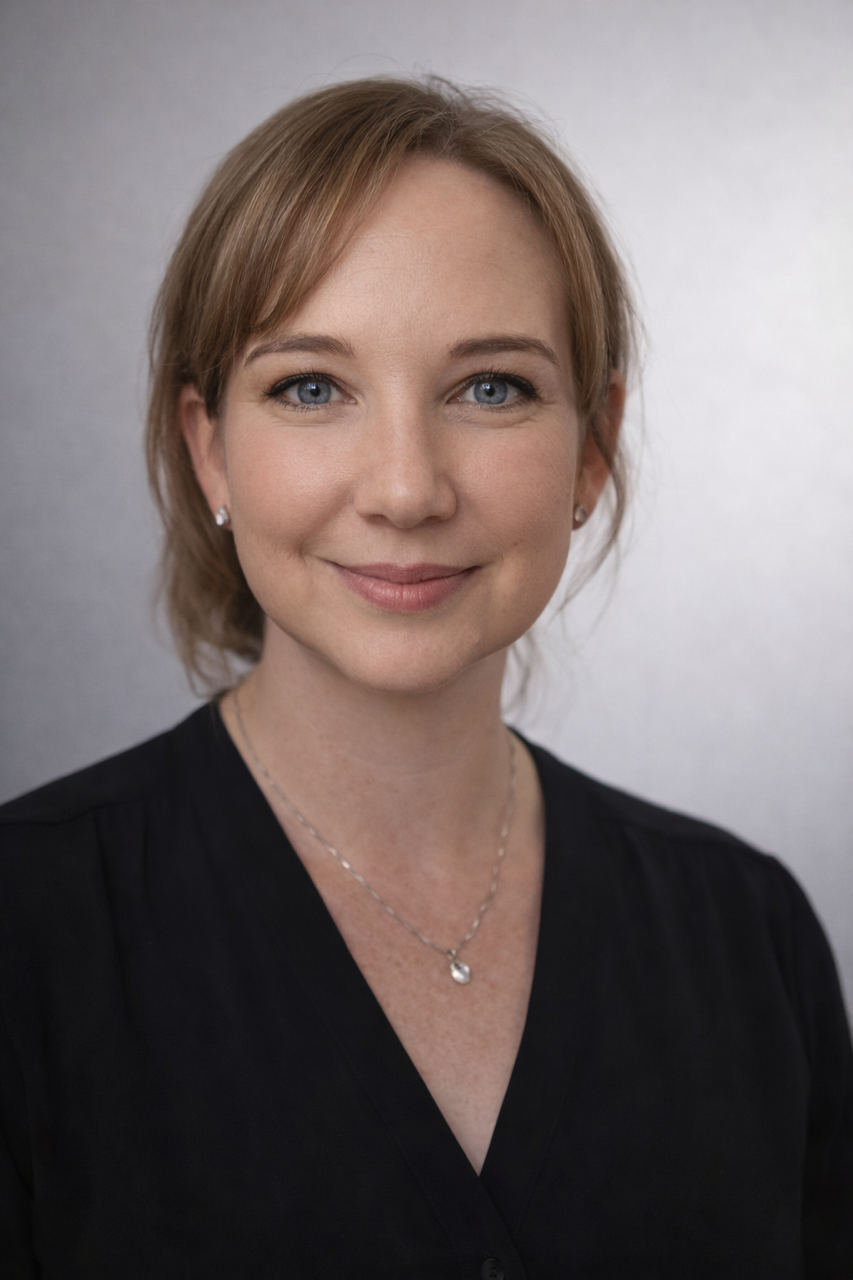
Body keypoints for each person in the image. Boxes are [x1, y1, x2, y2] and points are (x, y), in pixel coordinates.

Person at [0, 76, 850, 1279]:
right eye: (312, 387)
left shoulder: (746, 937)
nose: (405, 488)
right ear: (209, 450)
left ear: (591, 449)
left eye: (489, 387)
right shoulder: (28, 932)